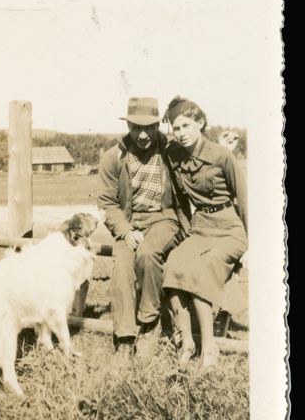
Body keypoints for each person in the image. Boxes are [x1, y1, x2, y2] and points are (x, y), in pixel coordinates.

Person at [98, 97, 191, 363]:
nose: (141, 135)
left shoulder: (171, 151)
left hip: (163, 219)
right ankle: (126, 338)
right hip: (129, 222)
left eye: (148, 127)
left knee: (148, 254)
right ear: (127, 124)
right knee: (123, 264)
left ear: (157, 126)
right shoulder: (112, 158)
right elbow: (106, 203)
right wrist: (125, 230)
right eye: (135, 127)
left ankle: (149, 326)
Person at [162, 96, 248, 370]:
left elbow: (244, 199)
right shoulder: (174, 154)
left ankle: (209, 348)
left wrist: (252, 246)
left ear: (200, 123)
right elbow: (178, 200)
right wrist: (189, 230)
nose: (182, 133)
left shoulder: (221, 155)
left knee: (201, 269)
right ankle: (187, 341)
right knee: (174, 263)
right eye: (176, 128)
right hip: (200, 228)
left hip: (229, 229)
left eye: (187, 125)